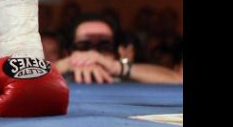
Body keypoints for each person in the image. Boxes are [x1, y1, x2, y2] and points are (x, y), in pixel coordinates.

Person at [54, 13, 182, 84]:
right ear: (68, 52)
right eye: (84, 46)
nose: (93, 53)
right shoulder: (58, 80)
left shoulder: (128, 79)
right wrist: (61, 66)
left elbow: (177, 80)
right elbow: (33, 84)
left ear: (117, 52)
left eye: (104, 46)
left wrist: (119, 67)